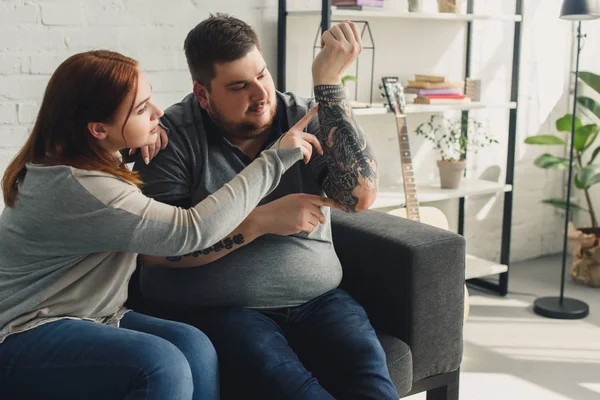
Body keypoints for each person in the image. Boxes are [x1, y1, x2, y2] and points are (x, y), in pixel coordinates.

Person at [0, 50, 325, 400]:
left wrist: (130, 143)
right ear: (98, 129)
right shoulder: (84, 187)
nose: (158, 114)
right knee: (161, 362)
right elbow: (189, 230)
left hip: (93, 315)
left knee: (195, 345)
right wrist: (274, 159)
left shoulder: (75, 158)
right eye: (141, 110)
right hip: (22, 331)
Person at [134, 14, 398, 400]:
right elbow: (156, 252)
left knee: (373, 385)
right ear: (203, 94)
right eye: (239, 86)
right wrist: (258, 222)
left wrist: (329, 86)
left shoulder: (300, 116)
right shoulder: (173, 138)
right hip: (225, 311)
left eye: (262, 75)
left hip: (320, 300)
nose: (260, 95)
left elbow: (358, 196)